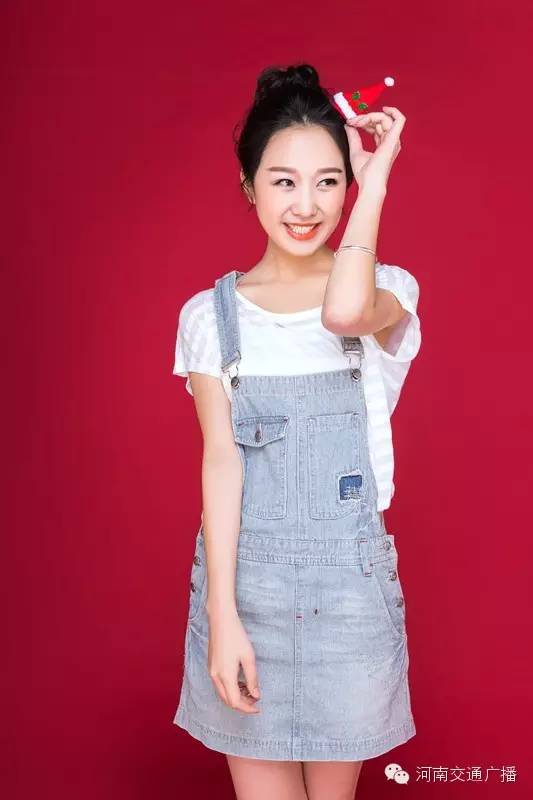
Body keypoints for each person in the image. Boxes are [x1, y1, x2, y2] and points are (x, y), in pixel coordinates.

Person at [172, 63, 421, 800]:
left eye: (328, 181)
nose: (306, 205)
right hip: (245, 591)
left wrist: (376, 183)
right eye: (283, 181)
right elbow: (221, 466)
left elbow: (343, 314)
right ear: (248, 185)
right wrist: (222, 615)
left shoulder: (387, 292)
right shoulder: (208, 318)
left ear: (349, 187)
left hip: (348, 591)